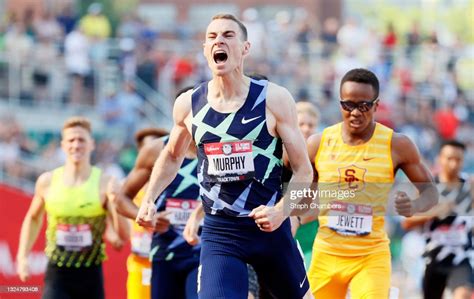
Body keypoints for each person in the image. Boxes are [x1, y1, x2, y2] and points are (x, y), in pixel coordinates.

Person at [136, 14, 313, 299]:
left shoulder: (274, 99)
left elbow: (304, 172)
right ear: (206, 51)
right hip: (221, 231)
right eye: (212, 37)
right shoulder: (189, 104)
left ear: (245, 48)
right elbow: (171, 156)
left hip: (269, 227)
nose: (219, 40)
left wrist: (281, 211)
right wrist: (149, 199)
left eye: (229, 35)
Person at [305, 68, 438, 299]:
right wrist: (290, 214)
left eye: (364, 105)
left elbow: (432, 194)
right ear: (340, 104)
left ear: (376, 105)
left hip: (370, 256)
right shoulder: (319, 143)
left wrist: (414, 207)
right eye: (348, 105)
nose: (355, 112)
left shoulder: (397, 145)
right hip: (326, 254)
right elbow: (300, 192)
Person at [16, 116, 128, 299]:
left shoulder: (105, 182)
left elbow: (123, 236)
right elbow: (33, 218)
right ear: (63, 145)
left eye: (81, 140)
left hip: (91, 275)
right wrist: (22, 257)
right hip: (57, 274)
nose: (76, 145)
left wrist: (116, 204)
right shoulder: (47, 181)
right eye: (71, 140)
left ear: (92, 144)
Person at [113, 89, 202, 299]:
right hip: (164, 253)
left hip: (204, 252)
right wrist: (144, 216)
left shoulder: (215, 149)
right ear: (177, 114)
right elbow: (121, 199)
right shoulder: (155, 150)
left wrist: (290, 211)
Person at [402, 140, 472, 299]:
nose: (454, 164)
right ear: (440, 159)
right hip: (434, 257)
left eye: (458, 159)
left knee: (464, 295)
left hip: (461, 256)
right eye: (449, 159)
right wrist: (436, 212)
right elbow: (407, 221)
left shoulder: (470, 185)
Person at [124, 127, 167, 299]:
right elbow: (119, 224)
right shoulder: (127, 189)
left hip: (167, 261)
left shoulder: (177, 185)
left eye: (157, 149)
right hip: (139, 264)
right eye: (147, 148)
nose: (152, 154)